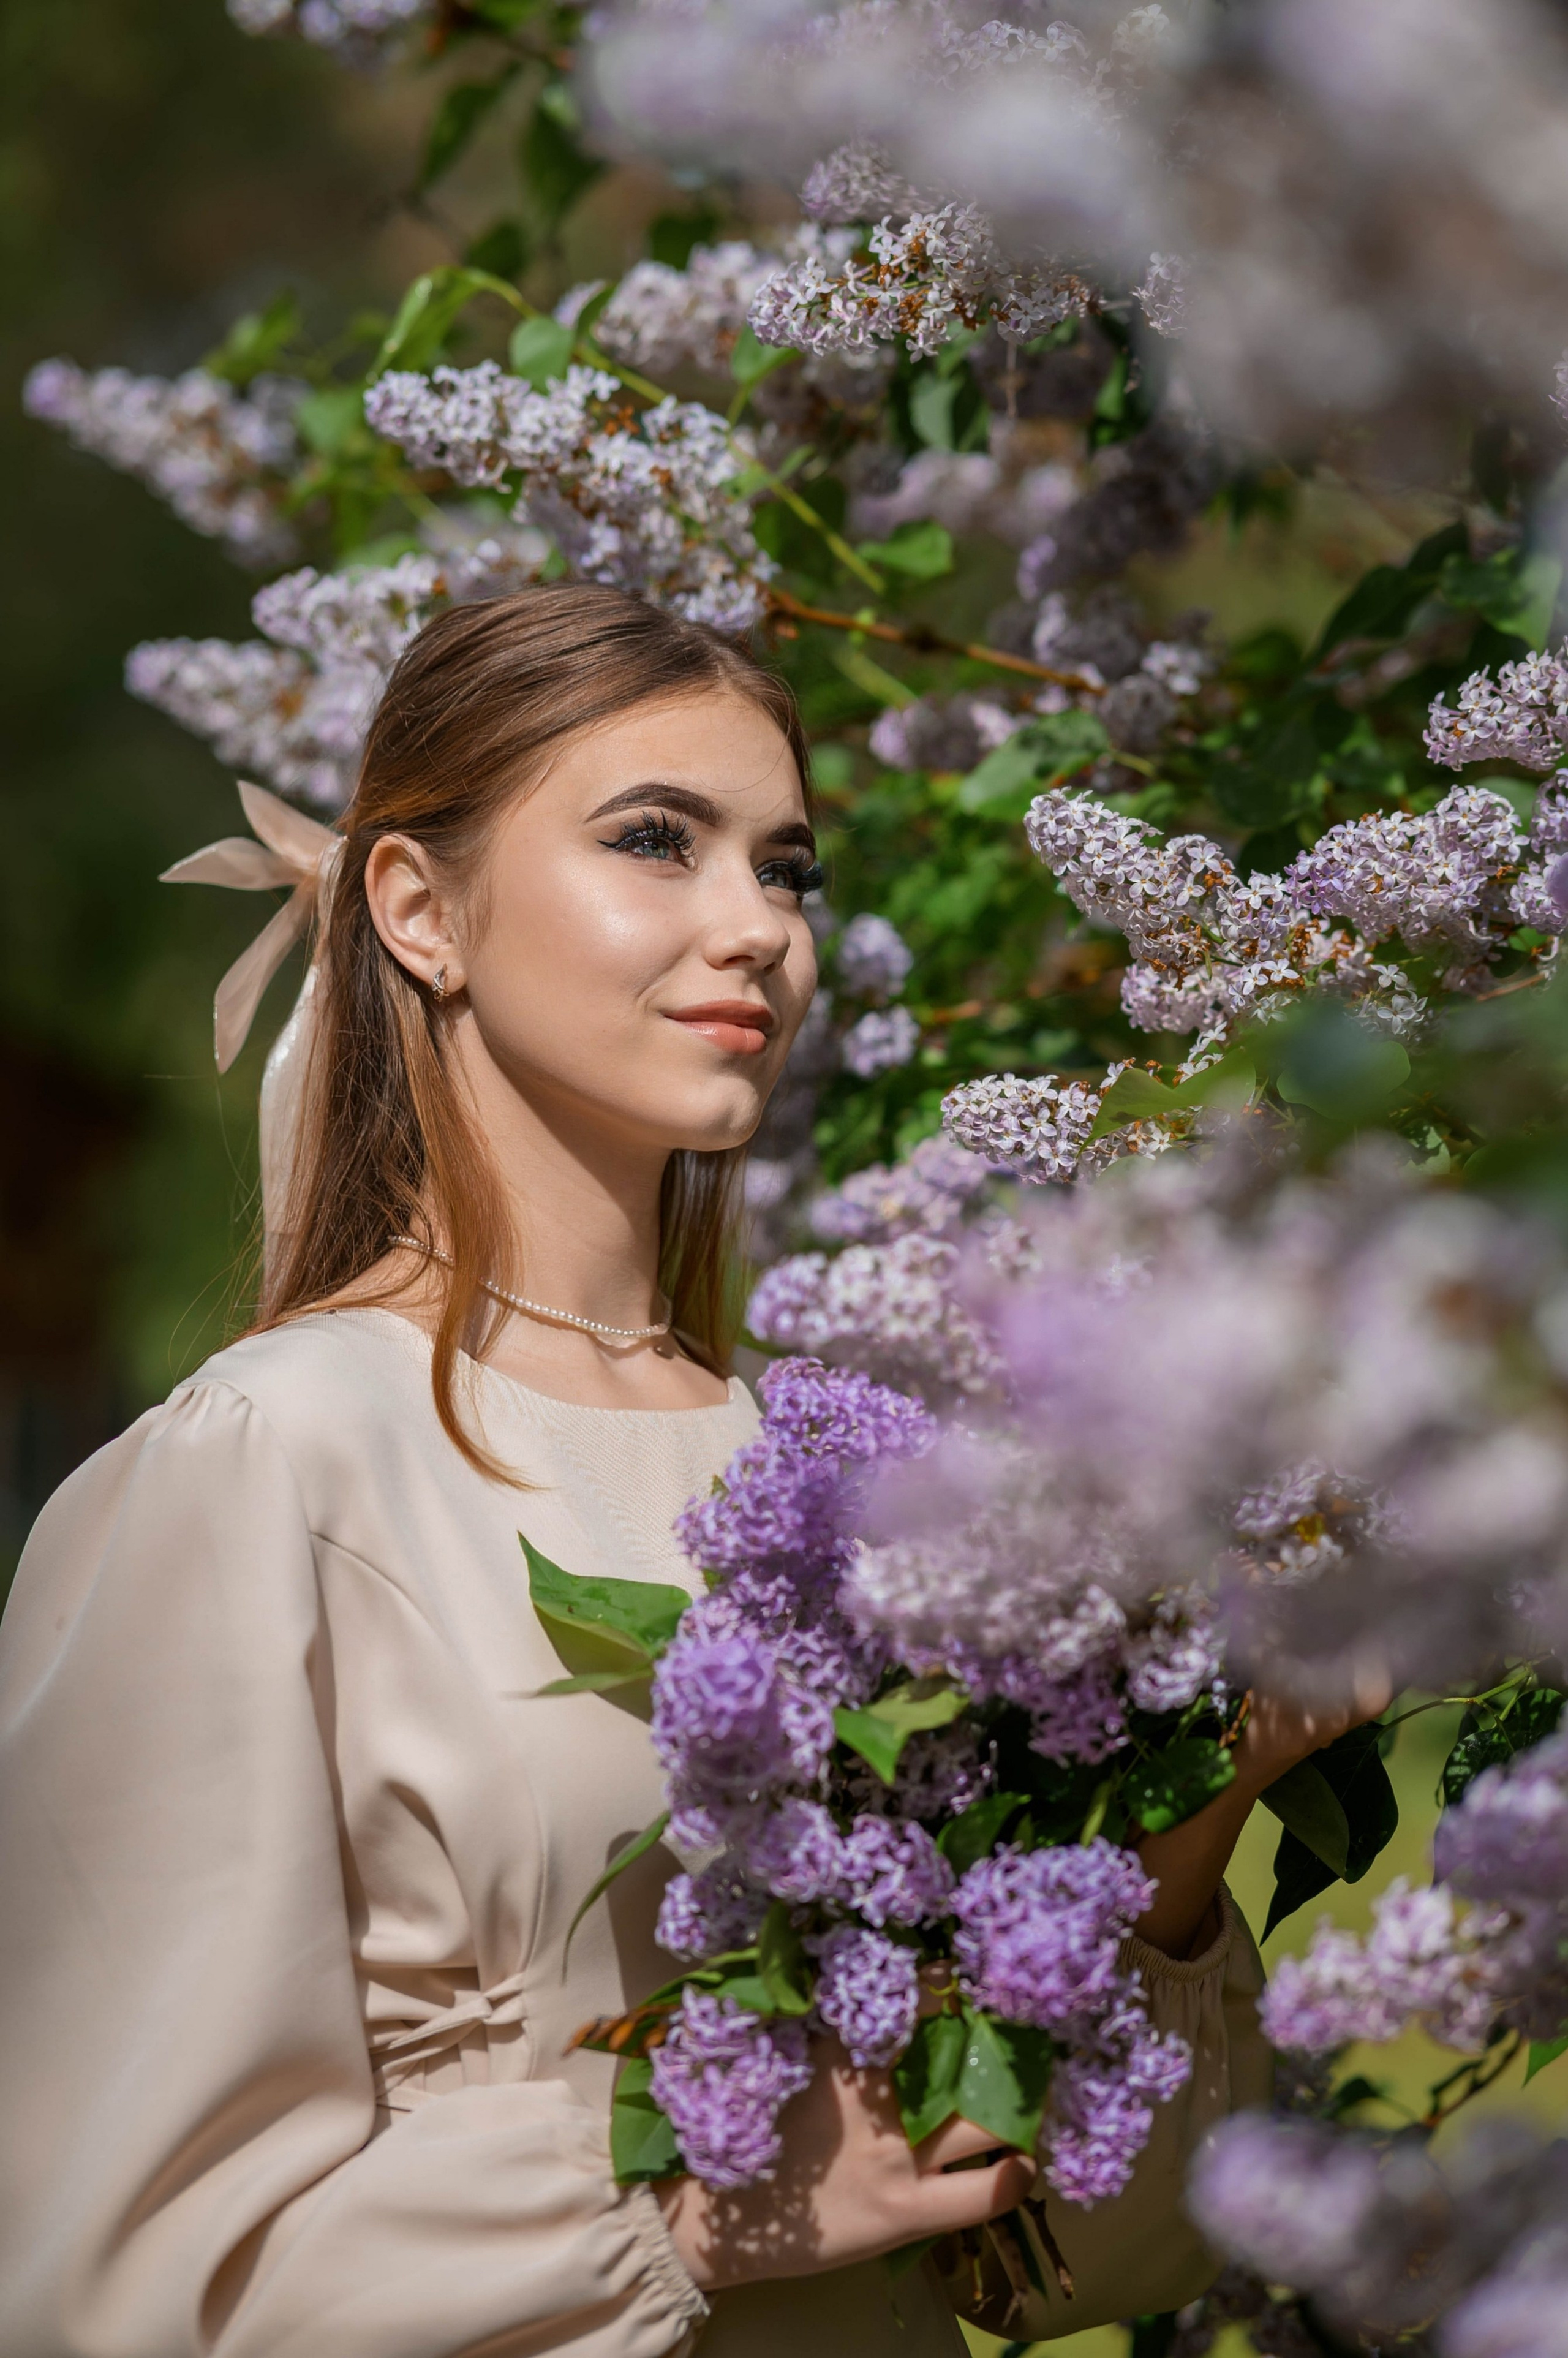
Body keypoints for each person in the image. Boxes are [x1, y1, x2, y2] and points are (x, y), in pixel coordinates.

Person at [0, 583, 1376, 2358]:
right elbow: (104, 2286)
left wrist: (1207, 1797)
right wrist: (683, 2203)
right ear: (421, 911)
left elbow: (1064, 2261)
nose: (758, 927)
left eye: (786, 868)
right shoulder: (266, 1470)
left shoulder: (844, 1479)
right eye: (659, 840)